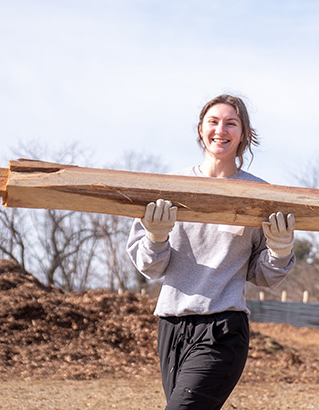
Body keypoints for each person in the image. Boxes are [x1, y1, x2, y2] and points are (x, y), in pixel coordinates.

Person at [126, 94, 296, 410]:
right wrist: (156, 236)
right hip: (171, 325)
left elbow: (262, 275)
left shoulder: (259, 195)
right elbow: (150, 267)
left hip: (223, 328)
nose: (221, 129)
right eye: (213, 122)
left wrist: (280, 249)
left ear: (244, 134)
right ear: (201, 129)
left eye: (231, 123)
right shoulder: (169, 187)